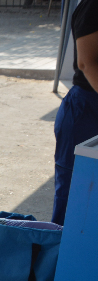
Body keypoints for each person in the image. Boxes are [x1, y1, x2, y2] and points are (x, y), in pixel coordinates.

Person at [52, 0, 98, 225]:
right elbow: (87, 63)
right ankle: (64, 259)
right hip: (86, 112)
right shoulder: (93, 6)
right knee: (75, 201)